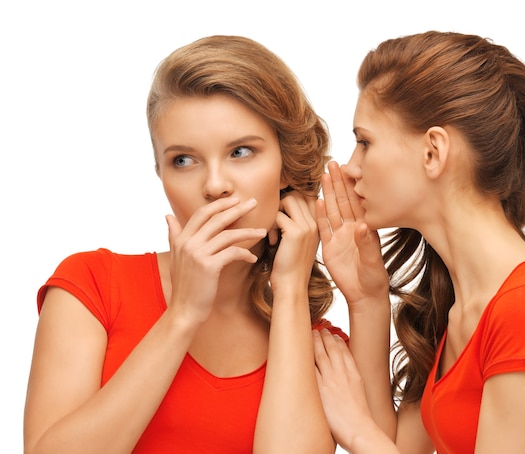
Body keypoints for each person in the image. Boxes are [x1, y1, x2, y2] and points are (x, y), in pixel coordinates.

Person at [23, 35, 347, 454]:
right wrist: (182, 316)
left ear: (285, 165)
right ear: (159, 172)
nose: (214, 186)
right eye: (184, 160)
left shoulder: (316, 343)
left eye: (242, 151)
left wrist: (290, 294)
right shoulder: (93, 286)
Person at [312, 31, 525, 453]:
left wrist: (356, 430)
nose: (350, 167)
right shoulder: (460, 306)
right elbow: (397, 446)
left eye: (365, 142)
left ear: (433, 151)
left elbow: (371, 440)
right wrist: (367, 299)